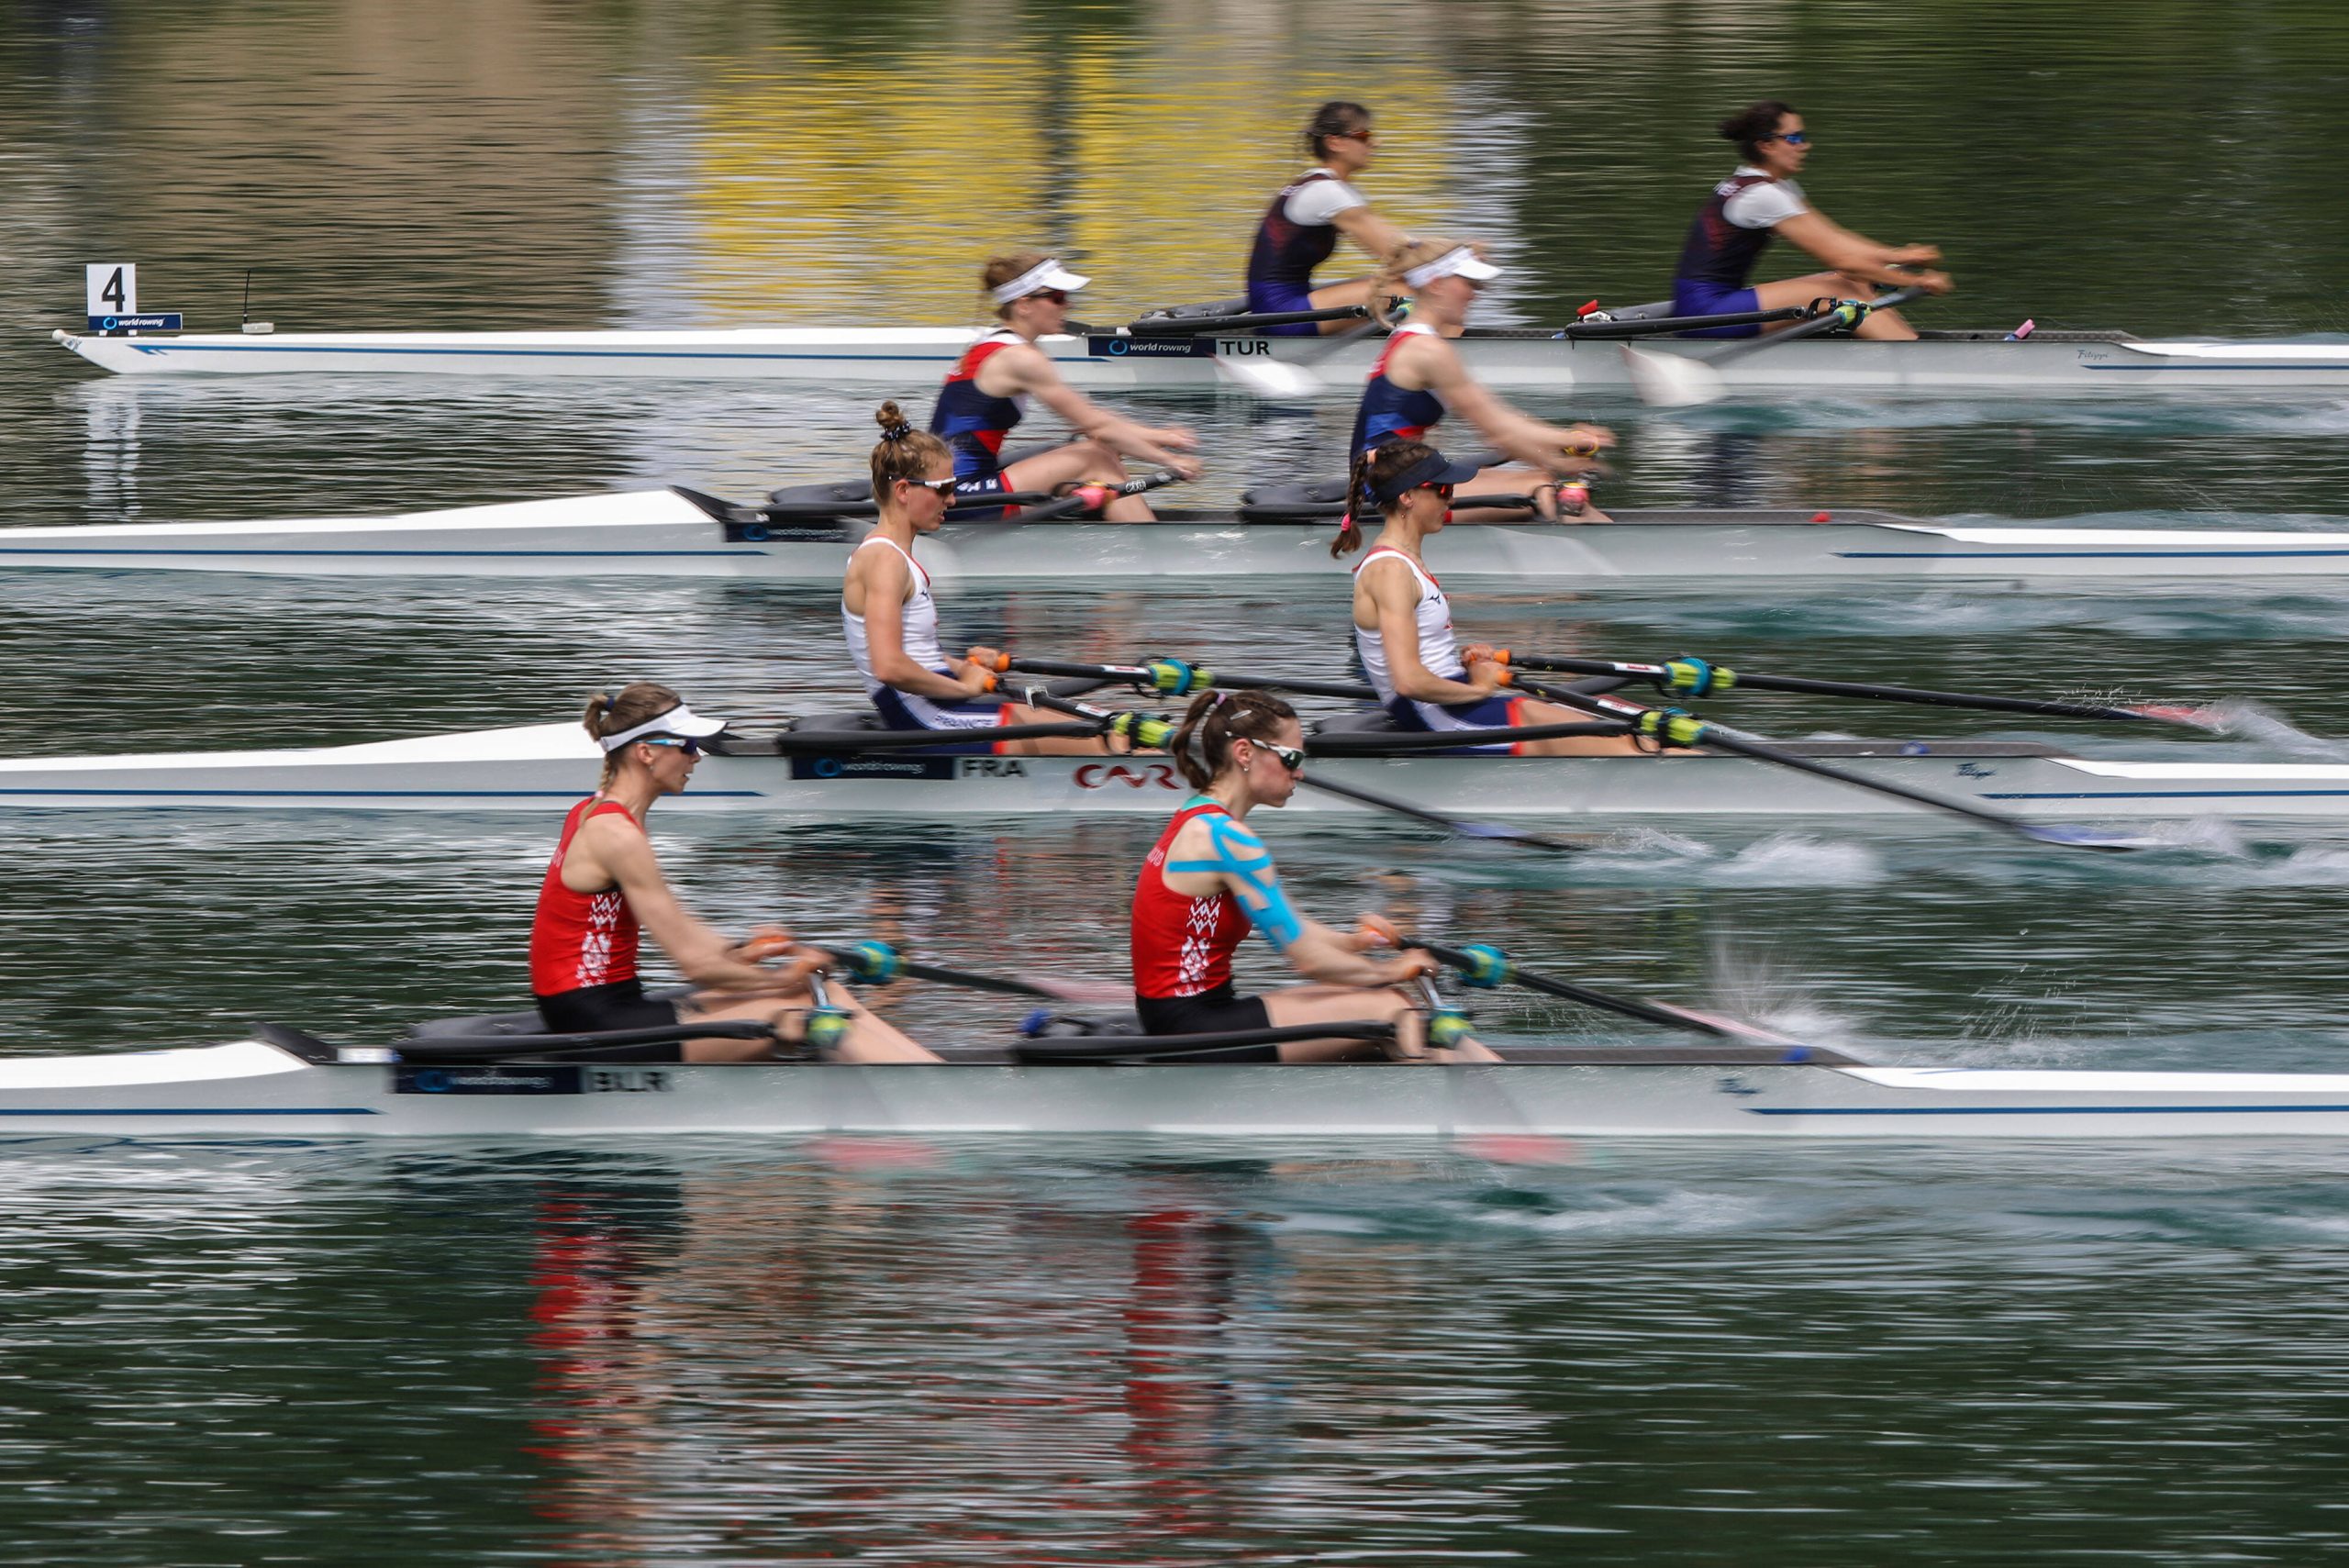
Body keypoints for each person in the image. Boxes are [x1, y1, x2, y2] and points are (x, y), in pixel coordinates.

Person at [530, 682, 937, 1063]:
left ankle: (926, 1073)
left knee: (821, 988)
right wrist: (782, 977)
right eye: (687, 745)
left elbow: (690, 937)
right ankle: (942, 1097)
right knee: (806, 1002)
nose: (696, 757)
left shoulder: (597, 811)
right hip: (595, 1022)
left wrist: (746, 952)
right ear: (646, 752)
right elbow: (696, 967)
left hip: (607, 1004)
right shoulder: (616, 834)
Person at [1130, 687, 1502, 1062]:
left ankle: (1437, 1085)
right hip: (1190, 1028)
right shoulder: (1227, 839)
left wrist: (1356, 943)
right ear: (1244, 753)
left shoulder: (1196, 816)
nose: (1300, 771)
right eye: (1291, 758)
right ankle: (1475, 1097)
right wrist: (1393, 970)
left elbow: (1297, 930)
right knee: (1391, 1009)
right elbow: (1307, 959)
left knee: (1381, 1006)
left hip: (1185, 1015)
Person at [843, 402, 1132, 755]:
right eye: (943, 488)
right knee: (1108, 743)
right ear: (903, 491)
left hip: (938, 704)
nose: (952, 500)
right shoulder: (884, 560)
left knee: (1106, 731)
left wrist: (968, 667)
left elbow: (918, 655)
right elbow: (888, 666)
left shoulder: (892, 555)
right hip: (928, 716)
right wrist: (965, 688)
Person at [1340, 439, 1644, 757]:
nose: (1452, 500)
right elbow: (1408, 681)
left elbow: (1423, 661)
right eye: (1443, 491)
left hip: (1449, 704)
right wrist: (1480, 686)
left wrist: (1468, 663)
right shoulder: (1390, 570)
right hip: (1438, 717)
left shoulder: (1403, 563)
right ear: (1408, 497)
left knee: (1628, 731)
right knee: (1625, 743)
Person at [1352, 238, 1617, 520]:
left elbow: (1502, 422)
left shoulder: (1410, 336)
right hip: (1391, 490)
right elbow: (1499, 431)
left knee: (1540, 477)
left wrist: (1558, 453)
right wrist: (1567, 446)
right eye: (1468, 284)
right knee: (1542, 489)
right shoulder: (1427, 350)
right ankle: (1616, 554)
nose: (1474, 295)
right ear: (1436, 284)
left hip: (1391, 477)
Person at [930, 252, 1201, 519]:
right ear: (1024, 304)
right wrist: (1170, 461)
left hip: (947, 484)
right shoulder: (1021, 359)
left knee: (1101, 447)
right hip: (955, 495)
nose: (1067, 306)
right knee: (1096, 457)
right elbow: (1097, 425)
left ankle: (1099, 524)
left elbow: (1097, 423)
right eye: (1057, 298)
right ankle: (1149, 554)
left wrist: (1158, 437)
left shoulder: (993, 342)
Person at [1672, 100, 1954, 339]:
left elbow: (1838, 241)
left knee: (1851, 281)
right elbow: (1843, 259)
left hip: (1721, 300)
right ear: (1766, 145)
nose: (1805, 146)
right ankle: (1915, 360)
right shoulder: (1761, 195)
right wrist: (1916, 282)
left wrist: (1903, 256)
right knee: (1845, 292)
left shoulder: (1775, 186)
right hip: (1703, 312)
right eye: (1794, 138)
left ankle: (1908, 346)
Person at [1243, 101, 1415, 336]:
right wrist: (1454, 257)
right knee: (1407, 290)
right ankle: (1419, 355)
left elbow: (1400, 249)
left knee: (1407, 281)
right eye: (1364, 135)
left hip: (1286, 302)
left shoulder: (1321, 185)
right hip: (1280, 311)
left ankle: (1409, 345)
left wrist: (1447, 255)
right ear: (1335, 142)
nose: (1376, 143)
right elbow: (1398, 252)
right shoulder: (1326, 193)